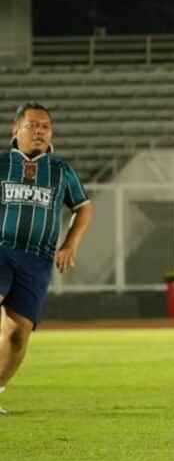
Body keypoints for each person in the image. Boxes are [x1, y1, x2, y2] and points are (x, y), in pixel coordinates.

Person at [0, 103, 93, 416]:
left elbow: (84, 208)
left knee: (17, 335)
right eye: (32, 125)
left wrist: (70, 244)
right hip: (0, 249)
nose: (39, 131)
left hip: (36, 260)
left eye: (45, 127)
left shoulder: (60, 171)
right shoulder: (0, 164)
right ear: (16, 130)